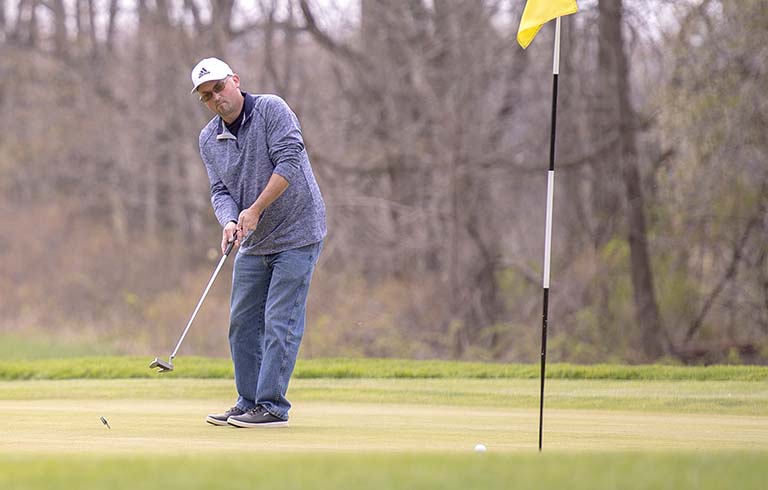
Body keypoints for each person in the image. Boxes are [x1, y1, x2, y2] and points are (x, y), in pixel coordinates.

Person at [190, 57, 326, 428]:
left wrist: (255, 208)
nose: (216, 98)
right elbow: (219, 190)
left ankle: (272, 406)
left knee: (279, 320)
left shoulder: (271, 109)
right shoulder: (208, 139)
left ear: (234, 80)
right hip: (253, 241)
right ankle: (248, 400)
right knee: (242, 323)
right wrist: (230, 219)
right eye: (207, 95)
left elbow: (290, 161)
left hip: (298, 232)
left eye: (219, 87)